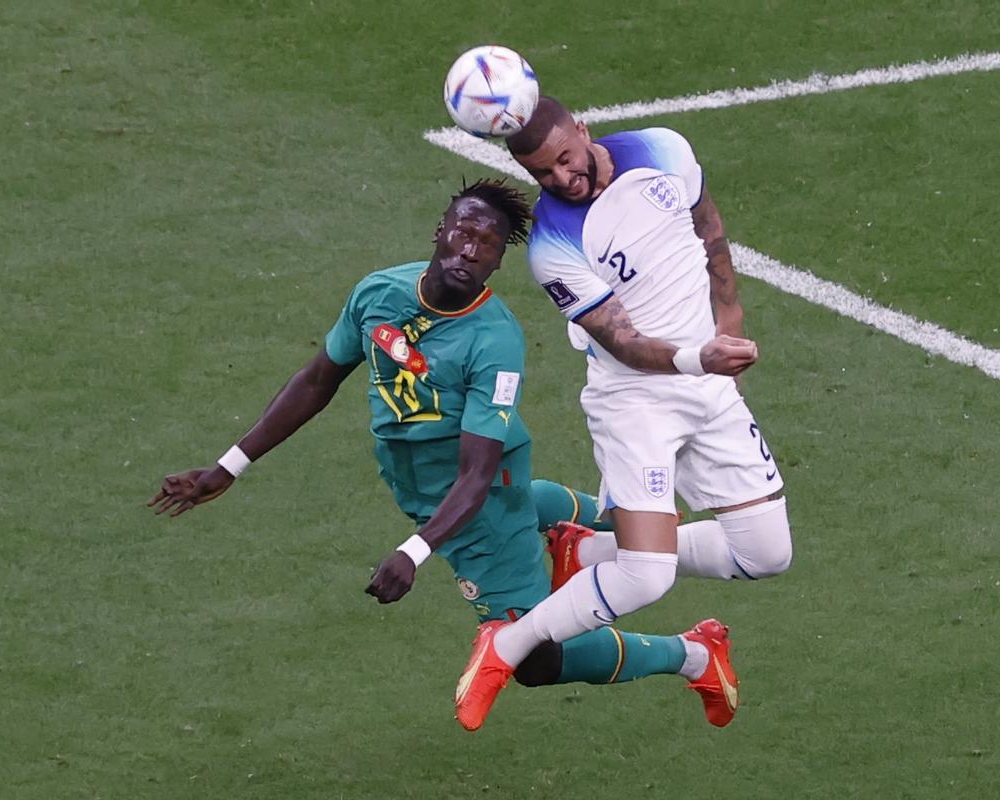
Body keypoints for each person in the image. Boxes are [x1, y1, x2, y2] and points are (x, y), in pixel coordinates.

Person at [147, 179, 739, 731]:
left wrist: (413, 553)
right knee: (518, 504)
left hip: (472, 496)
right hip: (426, 484)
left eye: (486, 245)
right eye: (463, 232)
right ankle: (586, 528)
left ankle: (693, 655)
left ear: (497, 262)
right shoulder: (378, 293)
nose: (469, 250)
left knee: (531, 658)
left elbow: (477, 475)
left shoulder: (494, 339)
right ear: (441, 229)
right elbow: (317, 380)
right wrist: (228, 466)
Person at [454, 98, 793, 730]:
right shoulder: (554, 245)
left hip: (708, 384)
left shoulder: (664, 148)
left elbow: (709, 229)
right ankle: (504, 647)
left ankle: (584, 553)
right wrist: (700, 356)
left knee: (766, 552)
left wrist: (731, 318)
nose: (562, 179)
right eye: (544, 174)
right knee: (645, 577)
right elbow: (624, 343)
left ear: (583, 131)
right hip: (635, 401)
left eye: (564, 159)